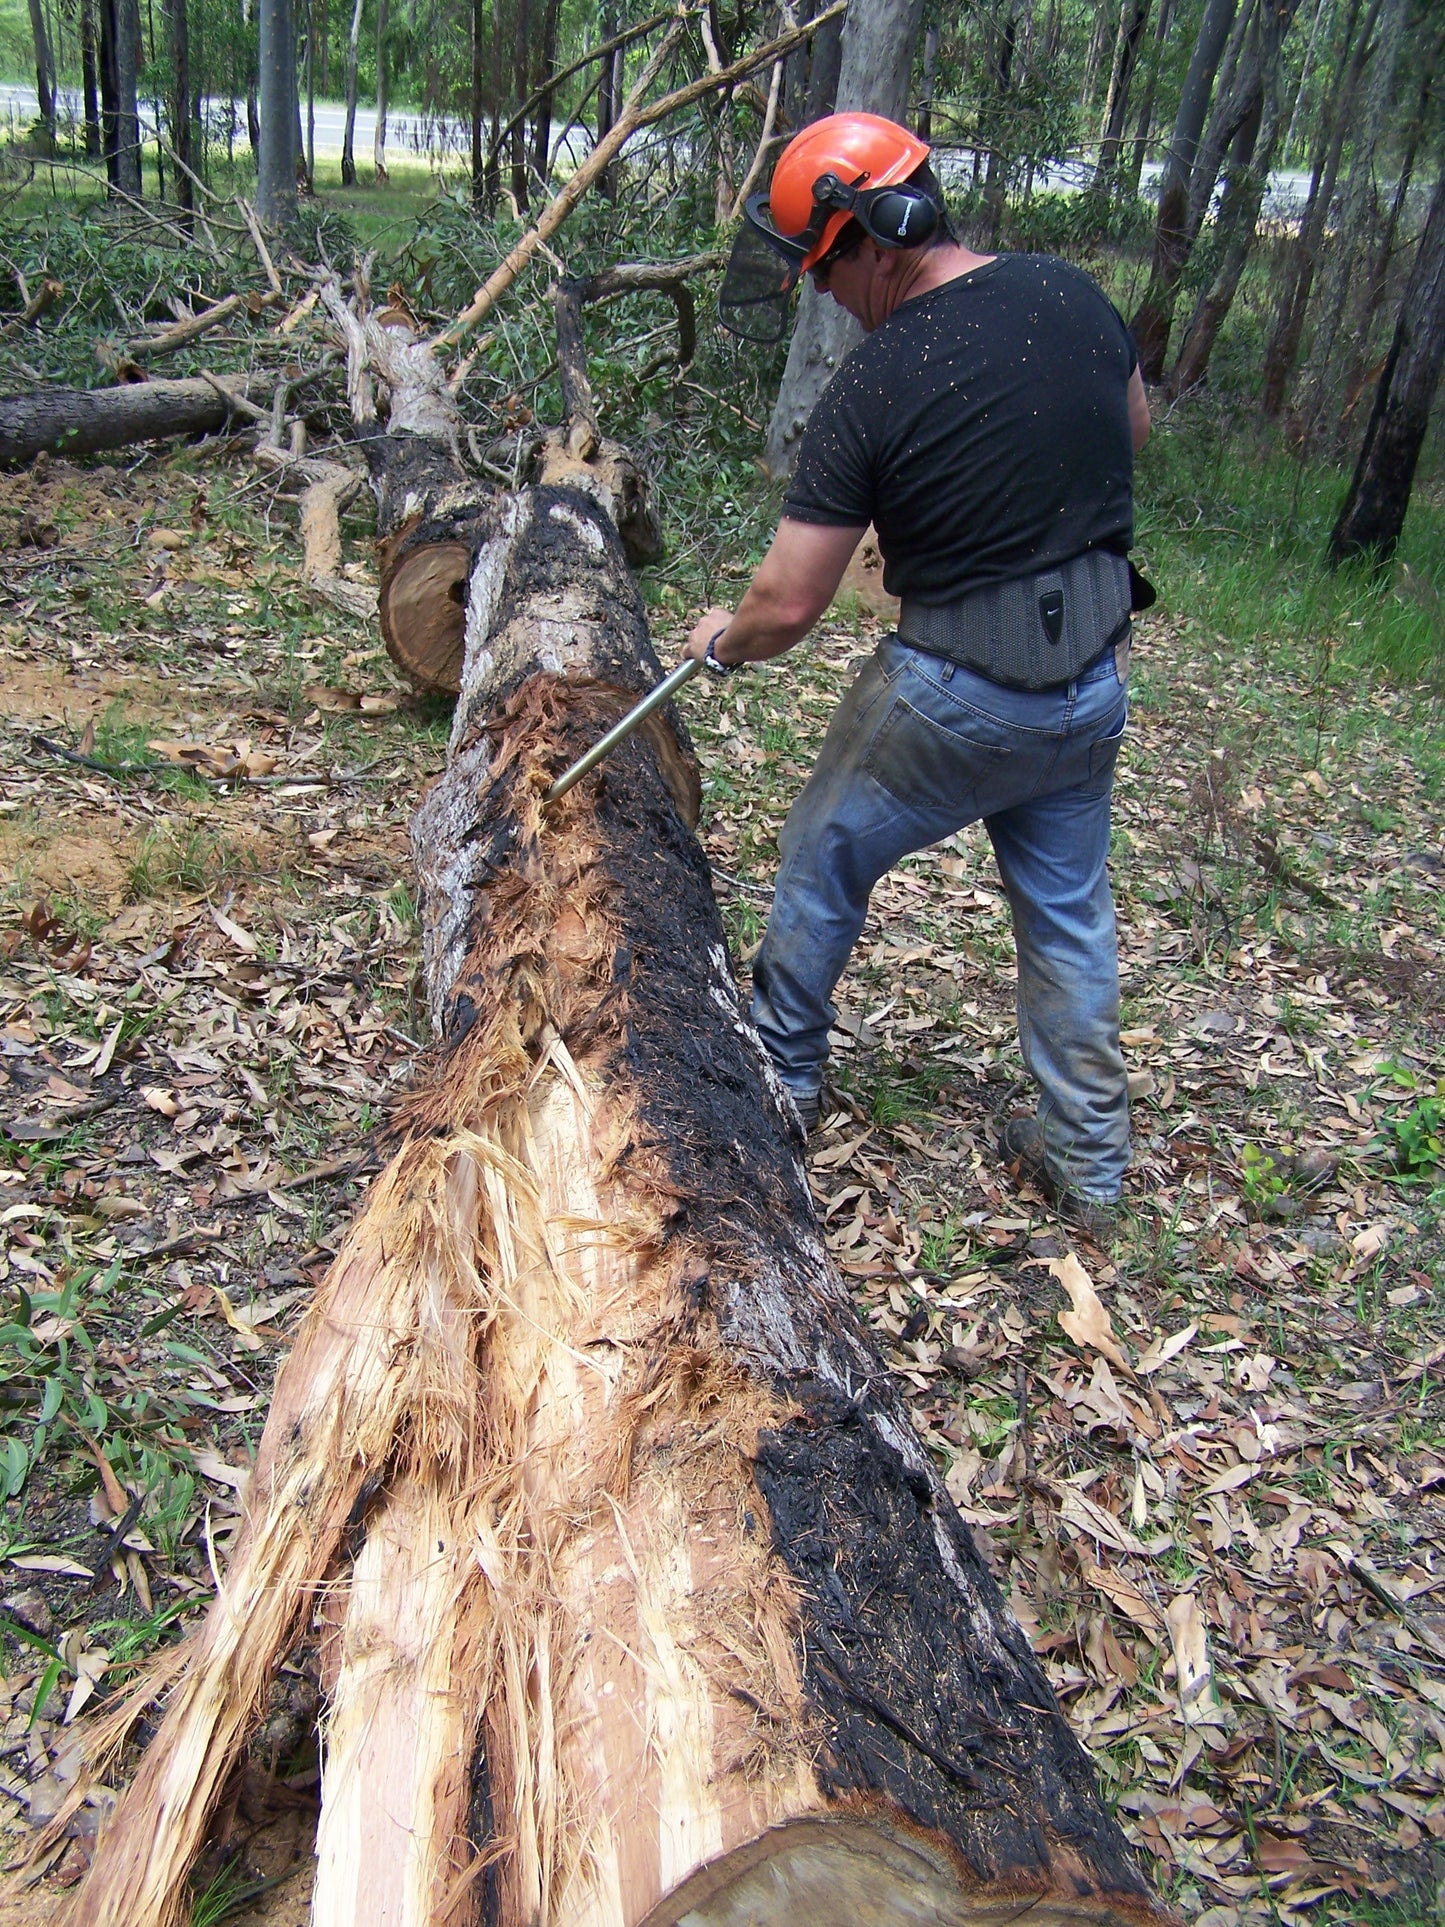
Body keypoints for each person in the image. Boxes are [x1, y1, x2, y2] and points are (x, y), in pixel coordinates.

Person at [685, 113, 1151, 1236]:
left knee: (820, 853)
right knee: (1068, 915)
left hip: (954, 690)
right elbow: (1130, 424)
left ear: (870, 237)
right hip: (1089, 685)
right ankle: (1089, 1164)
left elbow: (789, 600)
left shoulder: (878, 379)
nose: (826, 292)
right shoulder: (1070, 295)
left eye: (825, 267)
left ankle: (783, 1084)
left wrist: (721, 638)